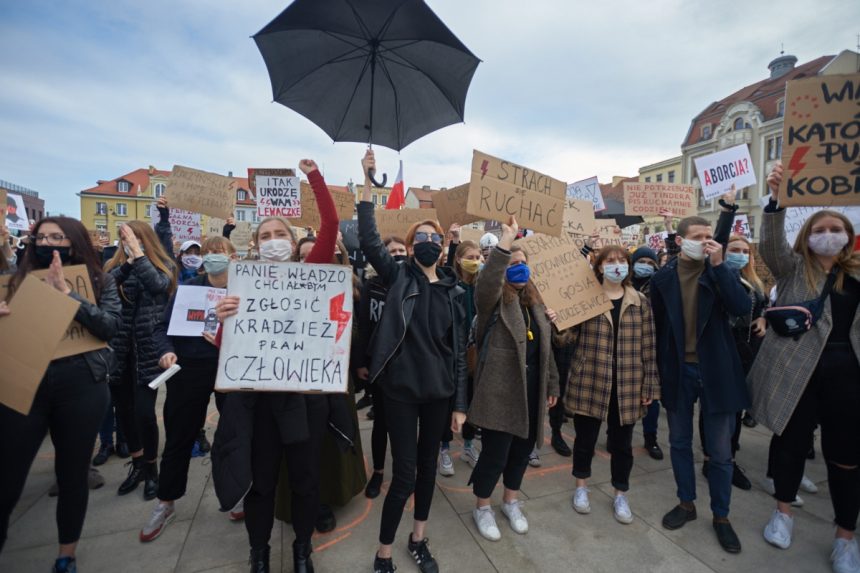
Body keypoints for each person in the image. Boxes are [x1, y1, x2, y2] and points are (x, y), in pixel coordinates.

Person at [210, 159, 346, 573]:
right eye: (265, 236)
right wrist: (223, 321)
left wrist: (315, 179)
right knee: (261, 484)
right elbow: (226, 350)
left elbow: (331, 225)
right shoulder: (242, 282)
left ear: (292, 240)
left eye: (279, 234)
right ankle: (260, 553)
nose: (273, 241)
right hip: (259, 404)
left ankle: (303, 550)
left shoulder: (311, 273)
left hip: (304, 401)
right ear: (256, 244)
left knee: (306, 481)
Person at [359, 149, 468, 573]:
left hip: (438, 393)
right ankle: (383, 551)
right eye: (419, 238)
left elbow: (457, 353)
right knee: (403, 475)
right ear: (409, 247)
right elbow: (369, 241)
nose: (427, 243)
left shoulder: (454, 292)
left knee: (427, 471)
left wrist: (460, 404)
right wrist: (368, 184)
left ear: (443, 247)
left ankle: (418, 540)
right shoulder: (397, 276)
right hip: (400, 391)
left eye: (434, 238)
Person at [749, 162, 860, 572]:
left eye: (836, 229)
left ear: (848, 238)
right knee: (793, 445)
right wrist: (776, 199)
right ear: (808, 237)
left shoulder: (858, 275)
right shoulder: (794, 270)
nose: (828, 234)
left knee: (846, 458)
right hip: (800, 373)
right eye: (820, 229)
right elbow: (771, 242)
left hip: (848, 378)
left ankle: (845, 538)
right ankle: (783, 513)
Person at [0, 217, 121, 573]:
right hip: (25, 383)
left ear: (75, 242)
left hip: (82, 386)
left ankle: (66, 554)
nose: (49, 242)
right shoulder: (13, 282)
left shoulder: (100, 280)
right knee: (7, 477)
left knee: (72, 475)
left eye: (58, 237)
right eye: (42, 237)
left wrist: (69, 296)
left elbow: (110, 326)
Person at [649, 214, 751, 554]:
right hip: (680, 371)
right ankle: (686, 503)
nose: (707, 241)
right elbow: (658, 330)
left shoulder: (719, 272)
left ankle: (721, 516)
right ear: (680, 241)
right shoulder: (664, 279)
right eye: (699, 236)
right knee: (679, 442)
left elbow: (741, 307)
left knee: (721, 453)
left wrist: (721, 266)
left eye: (710, 236)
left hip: (717, 370)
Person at [138, 236, 238, 542]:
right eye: (207, 253)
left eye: (219, 252)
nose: (212, 257)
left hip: (230, 370)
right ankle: (165, 502)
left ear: (233, 256)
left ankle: (238, 493)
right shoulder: (188, 289)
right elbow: (161, 328)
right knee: (179, 439)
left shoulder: (245, 290)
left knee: (236, 436)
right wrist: (165, 352)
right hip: (188, 371)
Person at [467, 216, 559, 541]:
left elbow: (547, 351)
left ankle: (510, 501)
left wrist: (551, 386)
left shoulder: (536, 302)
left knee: (522, 452)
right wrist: (505, 241)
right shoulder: (493, 302)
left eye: (523, 263)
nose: (519, 268)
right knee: (495, 454)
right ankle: (482, 507)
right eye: (512, 263)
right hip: (500, 394)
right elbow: (488, 281)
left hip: (531, 392)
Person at [275, 235, 367, 535]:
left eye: (315, 255)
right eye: (302, 257)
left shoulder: (346, 293)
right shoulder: (281, 293)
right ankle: (300, 499)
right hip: (292, 383)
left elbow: (354, 339)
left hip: (335, 380)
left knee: (330, 443)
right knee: (298, 443)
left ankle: (327, 497)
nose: (308, 261)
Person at [564, 244, 659, 524]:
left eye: (621, 260)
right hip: (590, 378)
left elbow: (649, 345)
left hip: (627, 383)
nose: (616, 265)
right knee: (585, 440)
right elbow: (567, 339)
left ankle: (620, 493)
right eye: (610, 261)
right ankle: (581, 487)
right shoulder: (587, 299)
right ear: (599, 266)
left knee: (622, 444)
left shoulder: (640, 300)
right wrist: (558, 323)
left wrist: (649, 386)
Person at [104, 220, 177, 501]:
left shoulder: (163, 266)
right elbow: (106, 286)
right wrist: (128, 262)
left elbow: (159, 286)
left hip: (148, 351)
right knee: (124, 412)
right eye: (126, 239)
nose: (130, 243)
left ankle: (151, 469)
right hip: (120, 351)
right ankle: (136, 464)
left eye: (135, 238)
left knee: (145, 413)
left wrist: (140, 256)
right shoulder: (115, 267)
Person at [355, 236, 409, 499]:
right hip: (379, 367)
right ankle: (377, 471)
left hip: (407, 366)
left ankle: (403, 472)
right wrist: (361, 363)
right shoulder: (372, 286)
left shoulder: (414, 284)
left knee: (405, 426)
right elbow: (363, 325)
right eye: (392, 251)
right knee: (382, 424)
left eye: (401, 251)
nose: (397, 255)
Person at [438, 227, 483, 477]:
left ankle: (467, 445)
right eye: (470, 257)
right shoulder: (449, 283)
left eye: (478, 257)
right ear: (459, 259)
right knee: (449, 403)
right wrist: (454, 242)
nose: (475, 262)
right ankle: (444, 448)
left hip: (475, 355)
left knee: (471, 401)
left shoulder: (482, 286)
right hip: (452, 354)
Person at [629, 245, 664, 461]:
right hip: (625, 345)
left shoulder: (658, 285)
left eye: (651, 264)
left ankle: (650, 438)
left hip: (652, 345)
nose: (646, 266)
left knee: (651, 396)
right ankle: (615, 433)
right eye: (642, 262)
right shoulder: (622, 284)